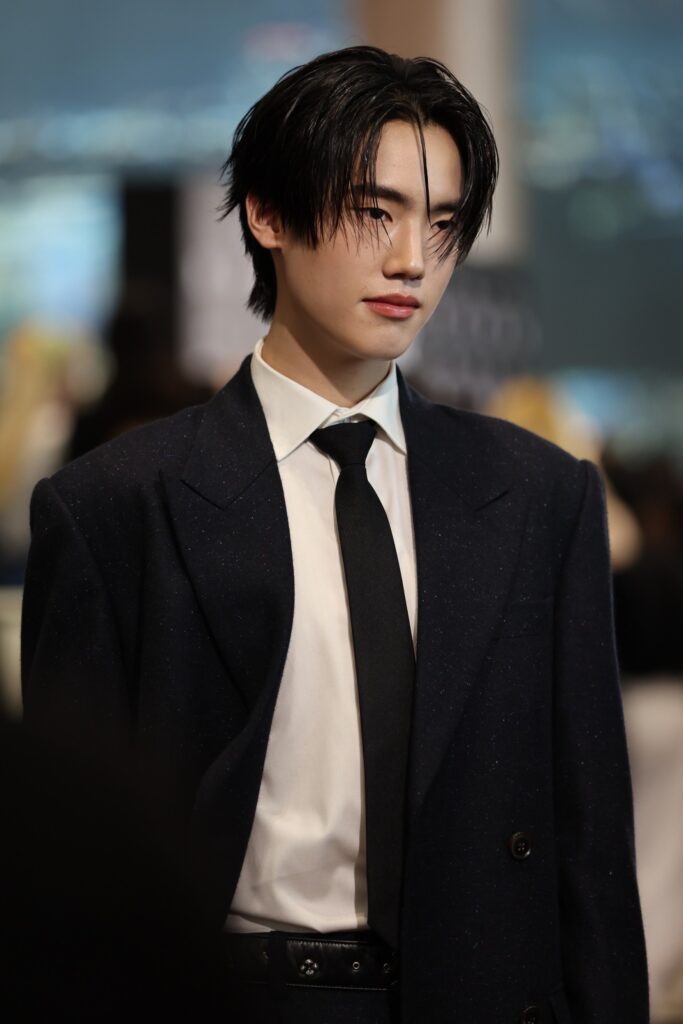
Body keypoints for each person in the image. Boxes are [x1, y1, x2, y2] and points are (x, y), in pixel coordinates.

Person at [21, 45, 649, 1023]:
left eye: (441, 223)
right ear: (267, 214)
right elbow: (69, 869)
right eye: (373, 212)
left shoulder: (537, 497)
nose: (411, 260)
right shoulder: (114, 508)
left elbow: (589, 845)